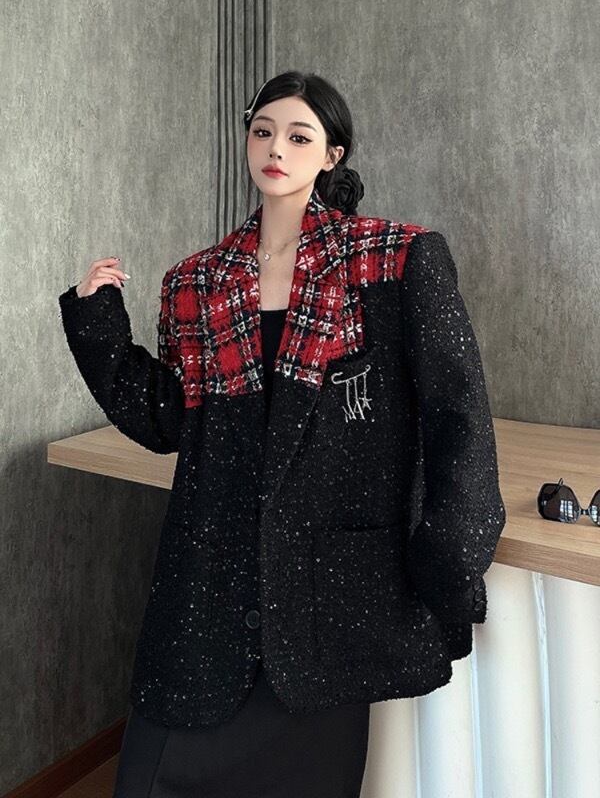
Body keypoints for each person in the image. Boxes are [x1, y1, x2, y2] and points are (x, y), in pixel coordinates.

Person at [58, 70, 505, 797]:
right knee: (148, 777)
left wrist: (450, 556)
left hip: (328, 600)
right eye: (263, 131)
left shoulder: (394, 260)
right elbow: (167, 420)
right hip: (208, 582)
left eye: (299, 136)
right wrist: (97, 322)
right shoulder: (196, 281)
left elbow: (458, 416)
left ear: (332, 154)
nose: (275, 149)